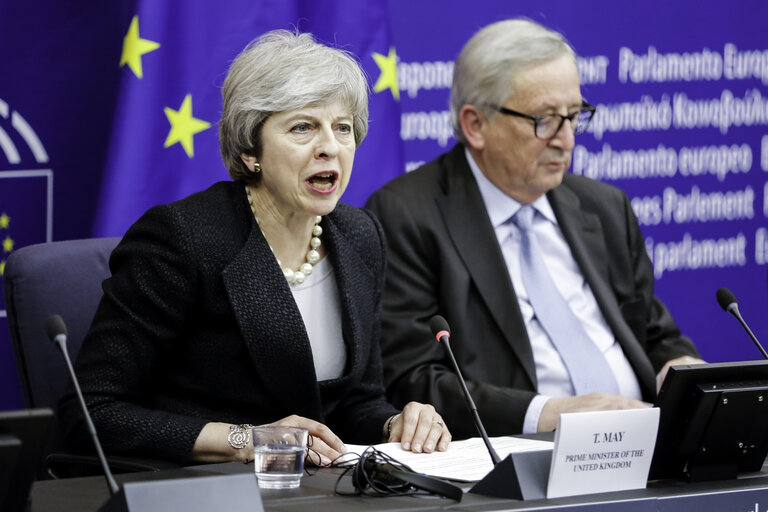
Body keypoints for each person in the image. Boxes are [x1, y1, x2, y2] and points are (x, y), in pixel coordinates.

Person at [58, 30, 451, 466]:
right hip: (199, 490)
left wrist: (394, 424)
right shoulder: (182, 239)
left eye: (342, 129)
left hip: (311, 488)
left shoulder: (360, 235)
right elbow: (93, 412)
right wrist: (246, 440)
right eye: (303, 127)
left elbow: (353, 404)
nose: (329, 148)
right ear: (250, 150)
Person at [365, 18, 703, 440]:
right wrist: (553, 414)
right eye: (544, 120)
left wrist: (685, 373)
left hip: (647, 445)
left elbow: (654, 334)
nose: (567, 140)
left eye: (575, 116)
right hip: (521, 459)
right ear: (475, 125)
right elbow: (412, 380)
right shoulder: (407, 215)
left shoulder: (604, 207)